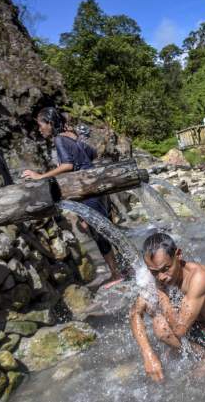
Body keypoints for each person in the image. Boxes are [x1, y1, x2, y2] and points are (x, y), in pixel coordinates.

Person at [22, 107, 124, 288]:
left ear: (50, 124)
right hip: (97, 186)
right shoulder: (72, 136)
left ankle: (116, 274)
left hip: (86, 189)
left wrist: (40, 176)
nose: (39, 129)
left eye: (41, 125)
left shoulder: (59, 139)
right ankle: (128, 267)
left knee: (99, 233)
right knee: (106, 229)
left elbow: (68, 165)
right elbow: (92, 154)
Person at [130, 232, 205, 383]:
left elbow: (180, 330)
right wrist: (148, 355)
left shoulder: (199, 277)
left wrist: (161, 294)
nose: (161, 277)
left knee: (161, 327)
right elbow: (135, 313)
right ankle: (195, 347)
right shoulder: (156, 272)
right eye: (154, 272)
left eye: (166, 268)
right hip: (198, 324)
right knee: (150, 309)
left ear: (178, 255)